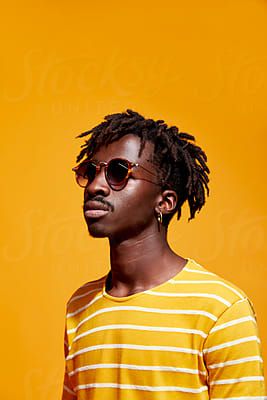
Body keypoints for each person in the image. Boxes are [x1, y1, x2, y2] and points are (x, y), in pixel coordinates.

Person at [62, 109, 265, 400]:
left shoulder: (221, 309)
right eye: (90, 171)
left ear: (165, 201)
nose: (96, 186)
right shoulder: (79, 306)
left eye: (118, 172)